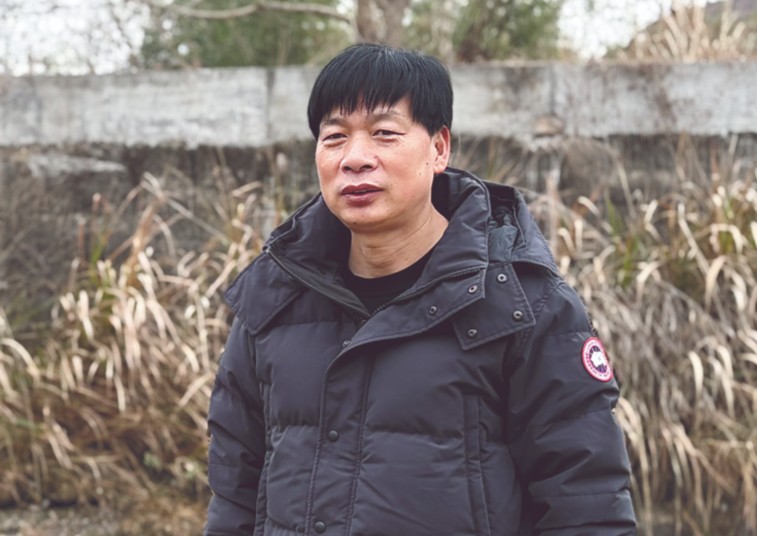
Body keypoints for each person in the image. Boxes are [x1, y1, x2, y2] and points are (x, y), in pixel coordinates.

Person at [205, 44, 636, 536]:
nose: (355, 159)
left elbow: (586, 504)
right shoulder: (274, 298)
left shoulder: (523, 305)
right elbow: (234, 496)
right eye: (334, 137)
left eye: (385, 133)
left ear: (439, 149)